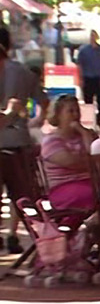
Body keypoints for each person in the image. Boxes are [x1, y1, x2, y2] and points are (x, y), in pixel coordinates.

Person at [0, 27, 50, 253]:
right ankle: (12, 233)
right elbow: (43, 100)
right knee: (18, 193)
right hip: (18, 139)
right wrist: (37, 120)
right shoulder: (23, 72)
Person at [41, 95, 97, 211]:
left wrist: (84, 134)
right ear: (58, 115)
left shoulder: (86, 135)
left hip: (92, 182)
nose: (75, 115)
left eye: (77, 111)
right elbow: (75, 163)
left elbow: (98, 155)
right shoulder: (51, 141)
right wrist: (86, 137)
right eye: (70, 111)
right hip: (64, 186)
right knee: (96, 194)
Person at [77, 31, 100, 126]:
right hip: (88, 78)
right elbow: (80, 65)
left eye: (94, 35)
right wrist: (80, 79)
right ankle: (89, 120)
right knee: (88, 101)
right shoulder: (83, 50)